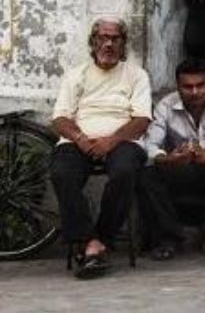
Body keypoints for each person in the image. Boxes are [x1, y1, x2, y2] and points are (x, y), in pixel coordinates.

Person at [48, 17, 152, 279]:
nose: (108, 44)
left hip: (123, 141)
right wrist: (81, 138)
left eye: (115, 39)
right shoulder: (76, 75)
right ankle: (90, 242)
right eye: (102, 38)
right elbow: (60, 118)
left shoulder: (136, 75)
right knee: (62, 172)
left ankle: (100, 239)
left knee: (126, 171)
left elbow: (141, 120)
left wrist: (111, 141)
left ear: (123, 43)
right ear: (92, 42)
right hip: (79, 140)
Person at [138, 59, 205, 260]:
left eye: (200, 85)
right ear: (178, 86)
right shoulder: (165, 105)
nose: (194, 92)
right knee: (146, 174)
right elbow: (149, 146)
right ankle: (169, 237)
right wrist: (168, 159)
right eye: (187, 87)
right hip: (178, 169)